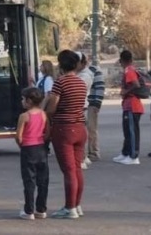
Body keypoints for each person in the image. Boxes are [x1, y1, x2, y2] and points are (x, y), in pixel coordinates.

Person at [44, 50, 89, 219]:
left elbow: (52, 106)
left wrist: (47, 113)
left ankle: (69, 207)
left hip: (64, 129)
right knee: (77, 169)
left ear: (61, 64)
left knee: (68, 170)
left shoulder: (60, 83)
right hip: (79, 127)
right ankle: (76, 205)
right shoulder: (80, 82)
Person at [15, 87, 49, 220]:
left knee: (29, 181)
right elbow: (47, 133)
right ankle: (41, 209)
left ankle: (29, 210)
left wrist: (22, 145)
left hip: (28, 150)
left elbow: (19, 136)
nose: (22, 101)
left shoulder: (24, 116)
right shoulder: (43, 114)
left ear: (29, 101)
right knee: (43, 180)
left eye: (23, 99)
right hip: (41, 148)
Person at [114, 49, 143, 165]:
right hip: (129, 105)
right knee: (127, 131)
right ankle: (125, 153)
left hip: (132, 105)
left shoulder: (129, 70)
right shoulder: (129, 70)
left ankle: (133, 156)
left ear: (122, 61)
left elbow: (136, 84)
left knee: (132, 132)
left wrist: (126, 91)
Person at [76, 52, 105, 165]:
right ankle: (86, 153)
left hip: (92, 102)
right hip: (84, 104)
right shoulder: (77, 73)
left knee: (91, 128)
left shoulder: (93, 71)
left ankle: (94, 152)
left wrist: (97, 102)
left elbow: (100, 86)